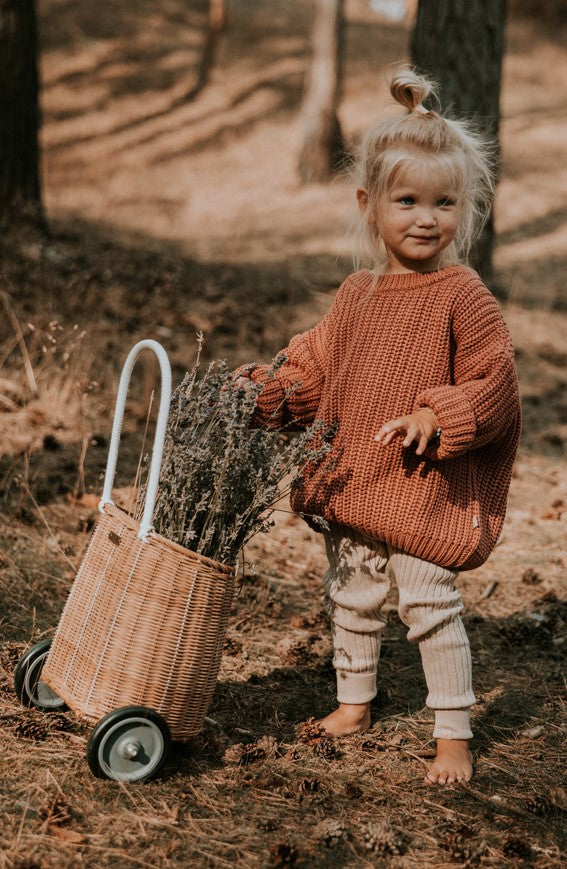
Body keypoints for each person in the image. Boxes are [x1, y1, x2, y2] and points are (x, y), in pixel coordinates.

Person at [234, 68, 521, 785]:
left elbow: (495, 385)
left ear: (465, 206)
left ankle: (452, 732)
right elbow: (315, 366)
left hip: (423, 495)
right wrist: (269, 393)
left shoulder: (463, 294)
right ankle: (353, 702)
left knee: (429, 608)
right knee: (352, 599)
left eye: (443, 202)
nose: (425, 218)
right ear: (369, 204)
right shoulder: (356, 296)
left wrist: (437, 412)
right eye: (406, 201)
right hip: (358, 486)